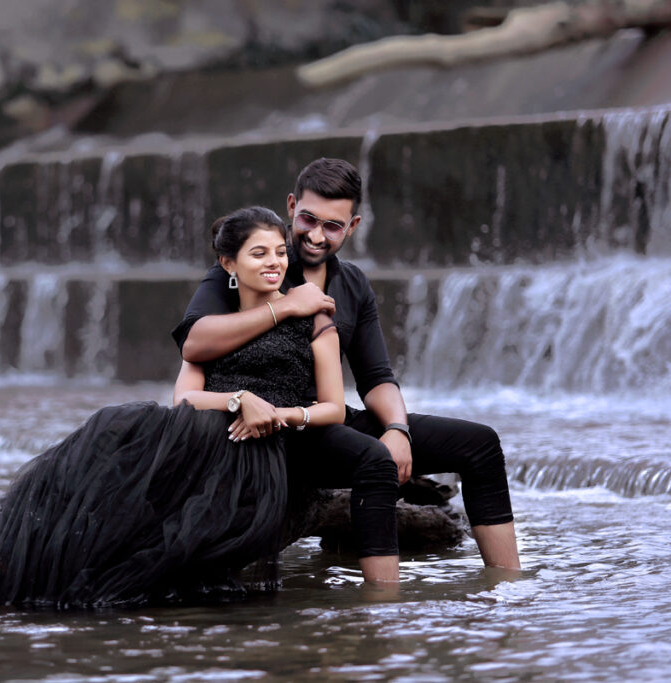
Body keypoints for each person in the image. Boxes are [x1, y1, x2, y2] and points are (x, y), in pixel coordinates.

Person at [0, 206, 346, 608]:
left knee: (132, 468)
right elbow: (185, 397)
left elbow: (335, 407)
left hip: (257, 451)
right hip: (205, 432)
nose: (273, 262)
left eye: (278, 252)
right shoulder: (212, 326)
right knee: (108, 439)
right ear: (229, 265)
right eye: (258, 253)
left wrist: (279, 413)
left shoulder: (312, 321)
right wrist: (239, 398)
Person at [172, 158, 520, 583]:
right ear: (291, 207)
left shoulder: (353, 284)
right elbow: (194, 342)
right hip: (260, 429)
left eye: (333, 226)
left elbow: (375, 376)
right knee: (370, 460)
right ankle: (379, 603)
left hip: (322, 418)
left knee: (479, 445)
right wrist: (286, 305)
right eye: (307, 219)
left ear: (352, 227)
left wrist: (397, 428)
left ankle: (505, 588)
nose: (316, 236)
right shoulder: (258, 260)